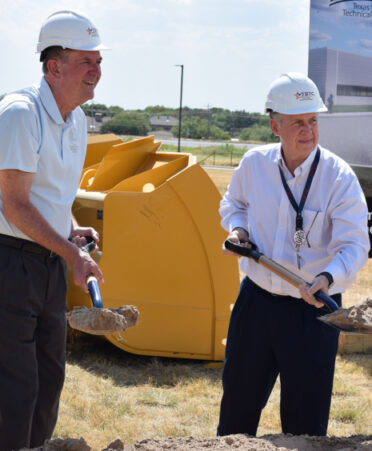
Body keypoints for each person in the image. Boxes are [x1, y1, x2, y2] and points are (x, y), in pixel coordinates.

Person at [217, 73, 369, 437]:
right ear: (275, 125)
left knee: (305, 425)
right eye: (298, 122)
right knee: (237, 413)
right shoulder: (254, 165)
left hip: (313, 314)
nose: (308, 130)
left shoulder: (338, 177)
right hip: (255, 306)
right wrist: (239, 230)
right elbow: (233, 203)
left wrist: (327, 279)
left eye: (313, 120)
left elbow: (354, 245)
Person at [0, 11, 108, 450]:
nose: (96, 72)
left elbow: (51, 198)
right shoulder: (20, 114)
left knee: (48, 385)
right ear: (54, 67)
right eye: (86, 61)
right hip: (10, 264)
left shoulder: (77, 120)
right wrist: (71, 253)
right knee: (15, 390)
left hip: (46, 268)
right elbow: (15, 204)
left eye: (99, 61)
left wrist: (73, 229)